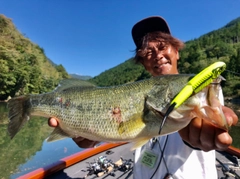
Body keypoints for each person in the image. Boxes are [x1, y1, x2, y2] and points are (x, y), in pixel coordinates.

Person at [48, 16, 238, 178]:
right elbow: (115, 127)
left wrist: (200, 137)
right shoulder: (136, 95)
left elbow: (213, 119)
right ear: (143, 63)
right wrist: (91, 137)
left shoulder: (201, 87)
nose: (157, 55)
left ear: (177, 52)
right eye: (148, 52)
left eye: (163, 46)